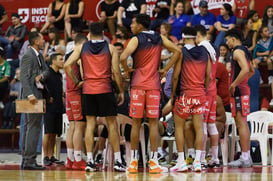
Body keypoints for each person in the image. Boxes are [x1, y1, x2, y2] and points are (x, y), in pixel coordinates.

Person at [120, 14, 181, 173]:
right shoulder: (159, 38)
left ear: (141, 25)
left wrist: (127, 71)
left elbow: (122, 57)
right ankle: (153, 162)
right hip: (154, 86)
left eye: (133, 23)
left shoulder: (136, 38)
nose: (132, 26)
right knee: (154, 123)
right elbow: (177, 51)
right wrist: (165, 70)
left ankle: (133, 162)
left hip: (138, 85)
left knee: (136, 123)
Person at [64, 22, 126, 172]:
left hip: (88, 90)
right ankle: (118, 160)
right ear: (104, 33)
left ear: (89, 34)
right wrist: (121, 90)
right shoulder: (110, 48)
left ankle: (90, 161)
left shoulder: (81, 48)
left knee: (90, 125)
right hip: (105, 89)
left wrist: (78, 81)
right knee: (112, 124)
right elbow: (117, 72)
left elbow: (66, 65)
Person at [170, 26, 210, 172]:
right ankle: (198, 161)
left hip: (185, 95)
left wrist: (173, 95)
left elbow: (175, 76)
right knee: (199, 128)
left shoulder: (181, 52)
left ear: (183, 36)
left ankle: (182, 161)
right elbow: (209, 76)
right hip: (199, 95)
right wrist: (203, 91)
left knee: (179, 128)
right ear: (195, 37)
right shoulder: (205, 53)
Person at [20, 31, 50, 170]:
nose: (44, 41)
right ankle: (29, 160)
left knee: (32, 126)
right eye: (42, 39)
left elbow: (46, 71)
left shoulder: (38, 56)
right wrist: (30, 94)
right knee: (32, 127)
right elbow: (24, 77)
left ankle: (27, 159)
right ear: (36, 41)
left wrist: (40, 76)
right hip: (31, 97)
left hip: (37, 94)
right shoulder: (28, 56)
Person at [225, 28, 254, 168]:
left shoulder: (237, 51)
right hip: (243, 91)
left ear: (233, 38)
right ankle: (246, 156)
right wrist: (242, 83)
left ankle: (245, 157)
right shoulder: (245, 51)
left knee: (241, 122)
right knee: (242, 122)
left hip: (239, 92)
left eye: (227, 40)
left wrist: (234, 84)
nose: (226, 43)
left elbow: (246, 70)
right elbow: (252, 70)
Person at [195, 25, 220, 169]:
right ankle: (215, 158)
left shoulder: (203, 49)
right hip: (213, 91)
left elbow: (202, 71)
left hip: (205, 90)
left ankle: (203, 158)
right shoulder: (214, 47)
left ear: (198, 35)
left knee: (203, 125)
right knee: (211, 124)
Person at [65, 33, 87, 170]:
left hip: (68, 93)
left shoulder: (68, 55)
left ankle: (70, 159)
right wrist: (79, 81)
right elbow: (84, 74)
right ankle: (78, 160)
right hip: (76, 93)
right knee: (79, 126)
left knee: (72, 127)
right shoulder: (79, 55)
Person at [42, 53, 65, 166]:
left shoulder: (59, 75)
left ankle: (51, 156)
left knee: (54, 133)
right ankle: (45, 156)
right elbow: (40, 85)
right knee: (48, 132)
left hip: (58, 106)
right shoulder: (47, 73)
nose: (63, 61)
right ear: (53, 61)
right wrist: (46, 98)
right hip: (49, 107)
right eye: (60, 59)